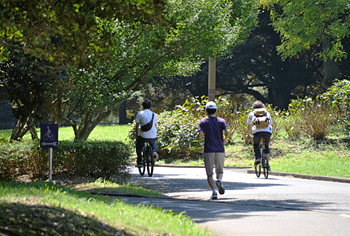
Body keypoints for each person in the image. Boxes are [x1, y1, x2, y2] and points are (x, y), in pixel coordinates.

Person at [198, 101, 230, 200]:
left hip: (208, 149)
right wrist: (225, 140)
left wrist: (199, 136)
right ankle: (219, 180)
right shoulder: (221, 121)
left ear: (206, 111)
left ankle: (214, 191)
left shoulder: (203, 122)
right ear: (215, 110)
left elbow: (199, 136)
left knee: (209, 173)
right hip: (220, 149)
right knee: (219, 170)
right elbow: (227, 132)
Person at [246, 100, 273, 170]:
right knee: (266, 146)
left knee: (256, 145)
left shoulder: (252, 113)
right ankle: (267, 164)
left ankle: (258, 158)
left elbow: (249, 125)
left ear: (253, 107)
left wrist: (249, 134)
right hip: (267, 131)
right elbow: (271, 123)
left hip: (257, 131)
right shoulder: (267, 113)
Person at [135, 99, 159, 166]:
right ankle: (154, 151)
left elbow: (137, 125)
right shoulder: (154, 114)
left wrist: (137, 134)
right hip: (153, 133)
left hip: (143, 135)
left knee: (139, 145)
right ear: (150, 106)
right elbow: (155, 125)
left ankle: (139, 161)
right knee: (153, 140)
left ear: (142, 106)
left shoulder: (140, 113)